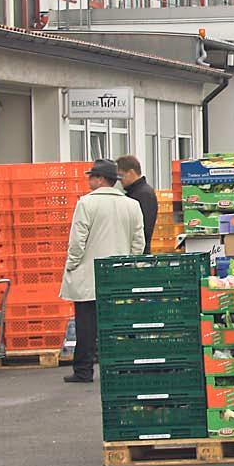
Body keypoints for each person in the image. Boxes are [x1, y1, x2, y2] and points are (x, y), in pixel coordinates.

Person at [60, 159, 145, 383]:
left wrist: (72, 264)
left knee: (87, 326)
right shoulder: (131, 204)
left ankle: (84, 370)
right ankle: (127, 366)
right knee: (121, 323)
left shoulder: (86, 204)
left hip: (89, 274)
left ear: (100, 179)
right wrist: (131, 265)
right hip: (120, 274)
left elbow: (77, 240)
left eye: (92, 176)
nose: (89, 180)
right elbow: (139, 241)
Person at [117, 154, 158, 254]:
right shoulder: (139, 192)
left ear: (131, 172)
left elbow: (144, 228)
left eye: (121, 176)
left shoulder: (143, 194)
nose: (119, 180)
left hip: (139, 253)